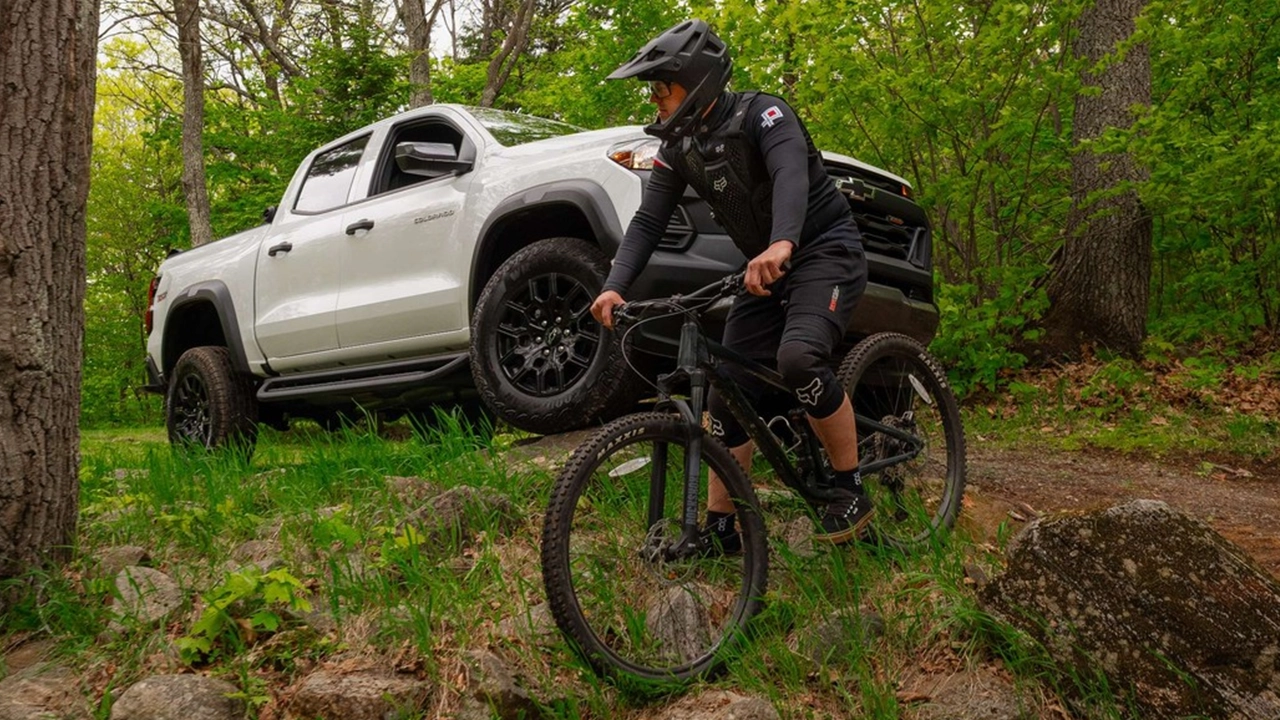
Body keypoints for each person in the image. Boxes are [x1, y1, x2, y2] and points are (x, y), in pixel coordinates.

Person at [591, 18, 873, 550]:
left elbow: (790, 175)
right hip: (761, 269)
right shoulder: (679, 148)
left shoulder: (764, 115)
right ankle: (722, 528)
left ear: (695, 81)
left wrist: (782, 242)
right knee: (726, 392)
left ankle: (849, 486)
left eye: (661, 88)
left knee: (798, 360)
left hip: (822, 251)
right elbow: (649, 221)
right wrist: (614, 285)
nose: (654, 100)